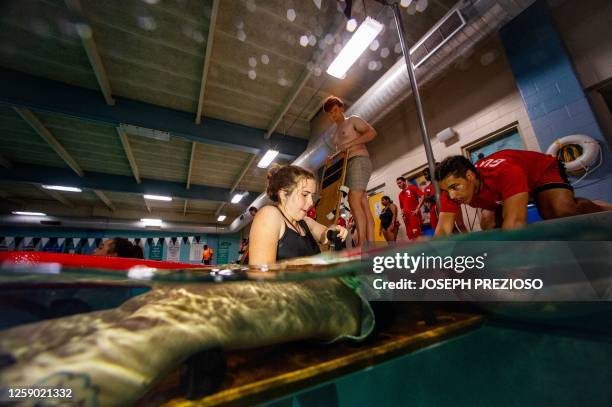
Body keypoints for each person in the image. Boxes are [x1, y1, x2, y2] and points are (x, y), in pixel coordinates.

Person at [434, 150, 612, 237]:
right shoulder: (450, 189)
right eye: (445, 191)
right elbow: (442, 230)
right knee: (488, 224)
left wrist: (511, 265)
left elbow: (516, 221)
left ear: (470, 176)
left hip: (539, 173)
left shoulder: (504, 172)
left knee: (559, 212)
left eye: (455, 187)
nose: (450, 196)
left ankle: (602, 208)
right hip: (504, 192)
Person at [249, 164, 348, 265]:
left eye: (312, 196)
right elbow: (260, 274)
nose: (311, 203)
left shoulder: (305, 222)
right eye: (305, 195)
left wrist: (335, 230)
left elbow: (325, 234)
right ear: (283, 194)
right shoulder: (269, 215)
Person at [324, 96, 377, 248]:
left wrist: (351, 143)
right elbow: (341, 154)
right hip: (347, 167)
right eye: (330, 113)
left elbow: (372, 133)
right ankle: (371, 244)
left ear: (341, 108)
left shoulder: (352, 120)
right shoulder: (335, 136)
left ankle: (361, 244)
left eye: (335, 110)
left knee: (354, 200)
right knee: (363, 204)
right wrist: (331, 159)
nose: (333, 115)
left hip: (359, 160)